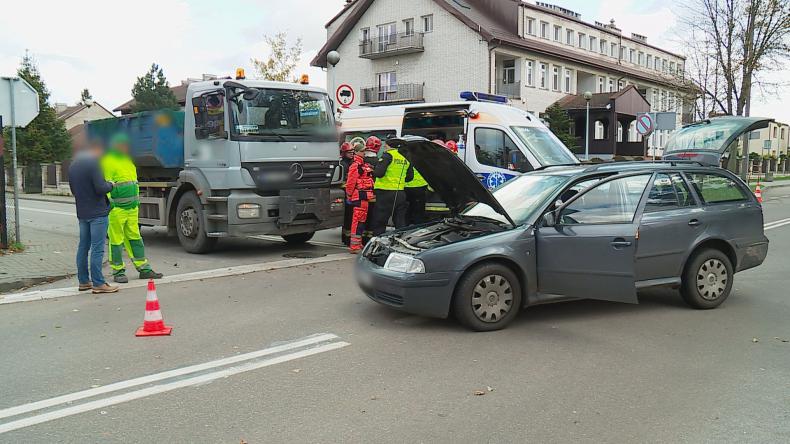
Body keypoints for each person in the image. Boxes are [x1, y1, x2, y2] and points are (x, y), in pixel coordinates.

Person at [101, 133, 163, 283]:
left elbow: (133, 182)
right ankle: (118, 271)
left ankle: (144, 268)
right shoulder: (108, 161)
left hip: (132, 208)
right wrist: (110, 203)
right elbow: (105, 184)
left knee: (135, 237)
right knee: (116, 240)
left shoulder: (127, 160)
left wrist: (136, 203)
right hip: (117, 208)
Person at [68, 141, 119, 294]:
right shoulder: (94, 164)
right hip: (97, 213)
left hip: (82, 213)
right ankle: (98, 283)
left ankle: (83, 281)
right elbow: (100, 188)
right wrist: (110, 184)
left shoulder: (73, 166)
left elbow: (73, 190)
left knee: (83, 247)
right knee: (97, 249)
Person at [370, 136, 412, 236]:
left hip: (385, 193)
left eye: (385, 146)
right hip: (400, 193)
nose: (384, 148)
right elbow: (410, 177)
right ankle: (401, 239)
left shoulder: (387, 156)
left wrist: (373, 171)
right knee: (399, 220)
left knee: (380, 220)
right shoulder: (405, 157)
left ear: (389, 146)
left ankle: (378, 240)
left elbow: (379, 173)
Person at [345, 142, 376, 253]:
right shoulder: (356, 165)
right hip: (359, 197)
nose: (364, 153)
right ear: (357, 152)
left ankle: (358, 244)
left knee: (361, 221)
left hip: (364, 197)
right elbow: (350, 182)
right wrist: (349, 195)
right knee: (357, 221)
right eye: (362, 151)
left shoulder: (362, 164)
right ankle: (354, 246)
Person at [339, 142, 355, 246]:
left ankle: (346, 237)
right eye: (349, 152)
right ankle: (346, 238)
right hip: (345, 193)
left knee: (349, 217)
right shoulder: (343, 164)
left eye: (353, 152)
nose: (352, 153)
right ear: (344, 153)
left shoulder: (351, 163)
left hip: (350, 193)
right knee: (347, 217)